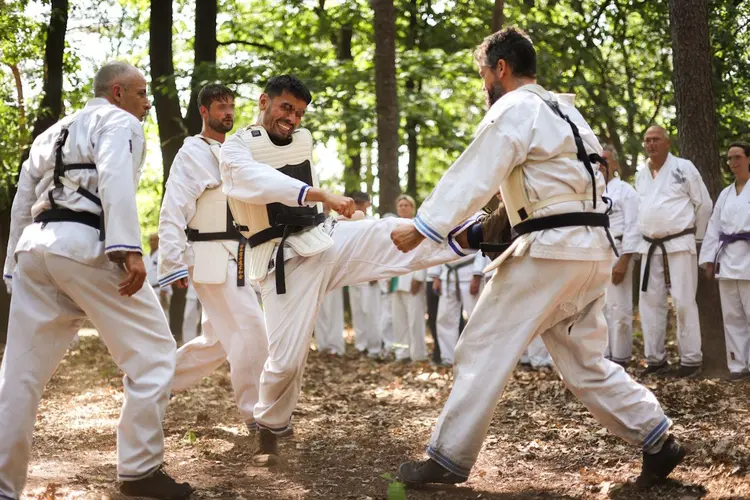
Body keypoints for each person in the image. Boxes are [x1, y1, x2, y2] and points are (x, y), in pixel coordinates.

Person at [392, 27, 685, 488]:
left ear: (501, 69)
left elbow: (474, 175)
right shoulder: (568, 112)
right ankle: (658, 438)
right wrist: (483, 230)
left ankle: (447, 457)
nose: (482, 83)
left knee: (481, 345)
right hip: (589, 251)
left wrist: (425, 226)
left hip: (549, 253)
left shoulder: (513, 108)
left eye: (483, 73)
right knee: (585, 362)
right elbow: (556, 188)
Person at [219, 75, 473, 466]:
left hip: (324, 239)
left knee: (385, 233)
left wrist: (329, 206)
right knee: (286, 359)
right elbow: (259, 182)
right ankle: (270, 427)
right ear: (264, 101)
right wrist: (320, 195)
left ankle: (470, 233)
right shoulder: (236, 149)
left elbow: (306, 195)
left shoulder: (302, 141)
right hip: (281, 258)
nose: (292, 118)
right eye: (286, 107)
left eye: (299, 113)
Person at [0, 61, 191, 499]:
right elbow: (114, 176)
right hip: (88, 246)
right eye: (142, 93)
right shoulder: (117, 120)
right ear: (118, 92)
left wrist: (12, 266)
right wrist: (128, 247)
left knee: (19, 375)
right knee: (155, 353)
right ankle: (140, 471)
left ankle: (3, 487)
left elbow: (22, 200)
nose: (147, 103)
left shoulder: (52, 133)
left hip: (37, 248)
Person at [157, 84, 270, 447]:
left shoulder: (238, 152)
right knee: (252, 329)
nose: (228, 113)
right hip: (209, 253)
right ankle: (258, 416)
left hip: (239, 252)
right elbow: (173, 206)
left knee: (217, 342)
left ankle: (156, 387)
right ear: (204, 111)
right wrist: (172, 262)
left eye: (232, 106)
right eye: (221, 107)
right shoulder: (191, 152)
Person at [635, 125, 712, 377]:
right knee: (649, 303)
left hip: (679, 244)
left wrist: (697, 238)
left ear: (667, 142)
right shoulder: (641, 174)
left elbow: (704, 204)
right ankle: (655, 359)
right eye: (647, 140)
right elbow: (641, 211)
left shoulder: (683, 167)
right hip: (649, 246)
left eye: (656, 139)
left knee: (684, 301)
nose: (651, 144)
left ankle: (691, 359)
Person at [699, 141, 750, 381]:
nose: (733, 163)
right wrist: (709, 260)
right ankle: (738, 366)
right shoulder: (725, 194)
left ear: (749, 159)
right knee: (732, 316)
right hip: (728, 259)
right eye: (729, 158)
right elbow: (713, 228)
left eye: (737, 157)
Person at [600, 145, 639, 367]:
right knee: (598, 309)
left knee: (619, 308)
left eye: (605, 159)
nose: (601, 164)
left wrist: (625, 259)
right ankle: (603, 357)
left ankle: (621, 358)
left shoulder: (625, 191)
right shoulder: (591, 192)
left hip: (618, 251)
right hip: (596, 254)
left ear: (614, 163)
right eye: (598, 160)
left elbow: (634, 226)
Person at [390, 195, 428, 363]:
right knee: (398, 321)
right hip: (395, 278)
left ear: (412, 208)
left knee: (415, 320)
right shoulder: (391, 226)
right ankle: (402, 354)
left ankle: (418, 355)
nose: (403, 207)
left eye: (406, 205)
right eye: (400, 205)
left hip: (412, 278)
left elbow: (424, 251)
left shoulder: (418, 226)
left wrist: (419, 277)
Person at [433, 252, 486, 366]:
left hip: (469, 272)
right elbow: (439, 246)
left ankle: (477, 357)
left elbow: (482, 246)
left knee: (475, 319)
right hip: (446, 274)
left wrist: (477, 274)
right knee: (445, 318)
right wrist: (436, 276)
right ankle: (448, 358)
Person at [347, 191, 383, 358]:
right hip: (353, 274)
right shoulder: (347, 222)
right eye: (355, 203)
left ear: (368, 204)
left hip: (370, 275)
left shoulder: (373, 223)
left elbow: (379, 251)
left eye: (361, 203)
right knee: (358, 313)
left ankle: (375, 348)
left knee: (372, 313)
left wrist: (376, 272)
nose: (358, 206)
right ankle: (361, 346)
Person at [145, 233, 172, 315]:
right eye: (151, 240)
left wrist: (164, 289)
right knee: (149, 314)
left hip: (160, 290)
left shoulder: (163, 255)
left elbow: (167, 271)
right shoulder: (145, 257)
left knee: (163, 315)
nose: (152, 242)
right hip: (149, 289)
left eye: (155, 240)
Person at [181, 279, 201, 344]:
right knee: (189, 321)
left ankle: (210, 348)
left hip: (212, 290)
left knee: (209, 322)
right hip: (193, 292)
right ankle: (188, 346)